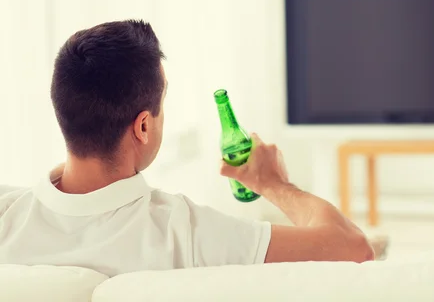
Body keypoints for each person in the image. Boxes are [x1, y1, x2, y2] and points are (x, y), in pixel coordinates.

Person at [0, 20, 374, 277]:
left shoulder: (7, 214)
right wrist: (274, 183)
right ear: (143, 126)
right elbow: (353, 248)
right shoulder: (186, 232)